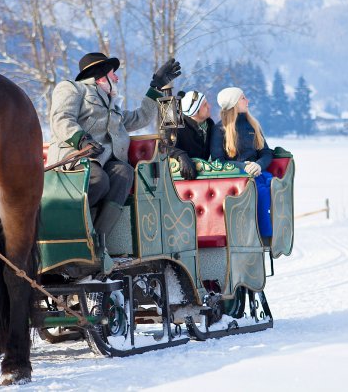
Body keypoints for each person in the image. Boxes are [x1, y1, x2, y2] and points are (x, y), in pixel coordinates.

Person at [47, 52, 181, 270]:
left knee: (124, 172)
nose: (117, 78)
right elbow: (61, 118)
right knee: (98, 179)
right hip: (75, 160)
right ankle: (70, 235)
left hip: (105, 161)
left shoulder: (113, 108)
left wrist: (155, 87)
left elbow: (141, 118)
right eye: (113, 74)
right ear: (101, 77)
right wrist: (81, 140)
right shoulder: (72, 88)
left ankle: (97, 244)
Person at [210, 87, 274, 237]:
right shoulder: (220, 129)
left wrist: (258, 164)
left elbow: (266, 153)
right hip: (236, 177)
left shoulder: (253, 125)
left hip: (258, 172)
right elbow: (219, 162)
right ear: (233, 103)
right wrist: (243, 167)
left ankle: (271, 234)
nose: (247, 101)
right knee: (262, 192)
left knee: (272, 186)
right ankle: (263, 236)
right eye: (243, 98)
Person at [169, 90, 215, 180]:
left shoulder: (210, 124)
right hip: (183, 177)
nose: (209, 106)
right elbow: (165, 146)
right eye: (205, 105)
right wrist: (181, 155)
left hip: (205, 175)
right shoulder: (177, 128)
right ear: (195, 112)